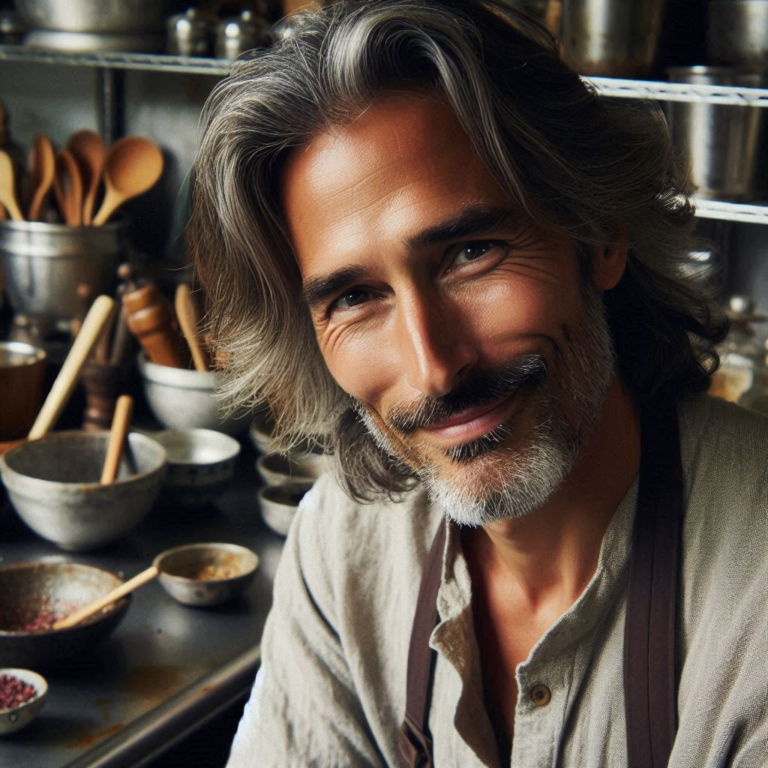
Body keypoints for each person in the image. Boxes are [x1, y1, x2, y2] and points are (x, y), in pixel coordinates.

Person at [191, 1, 768, 765]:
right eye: (356, 298)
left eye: (471, 253)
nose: (433, 365)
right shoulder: (343, 546)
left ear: (598, 233)